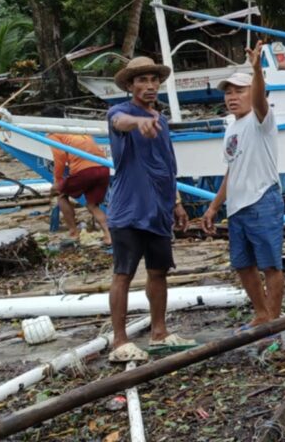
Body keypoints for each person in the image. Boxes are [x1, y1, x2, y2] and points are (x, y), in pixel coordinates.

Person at [105, 56, 195, 363]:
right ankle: (119, 341)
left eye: (153, 79)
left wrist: (177, 203)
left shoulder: (163, 120)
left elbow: (168, 165)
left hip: (158, 210)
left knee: (158, 272)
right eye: (141, 80)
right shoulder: (120, 112)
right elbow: (120, 123)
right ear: (130, 85)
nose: (149, 85)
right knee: (123, 273)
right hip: (129, 209)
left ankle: (159, 333)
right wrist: (139, 122)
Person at [201, 41, 285, 330]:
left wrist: (257, 70)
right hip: (237, 205)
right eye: (228, 92)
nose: (232, 97)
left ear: (253, 92)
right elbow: (231, 170)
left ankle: (273, 319)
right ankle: (261, 313)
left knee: (270, 264)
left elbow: (261, 99)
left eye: (239, 90)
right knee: (242, 264)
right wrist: (213, 207)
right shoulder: (231, 127)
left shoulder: (261, 119)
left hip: (263, 199)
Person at [42, 105, 111, 246]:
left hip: (85, 170)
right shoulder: (77, 128)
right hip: (103, 167)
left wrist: (57, 180)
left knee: (61, 195)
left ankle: (73, 232)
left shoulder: (53, 134)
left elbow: (60, 157)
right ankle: (109, 235)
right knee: (92, 205)